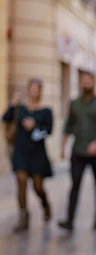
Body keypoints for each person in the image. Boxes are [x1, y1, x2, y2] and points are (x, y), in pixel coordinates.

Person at [58, 73, 96, 231]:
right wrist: (62, 147)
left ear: (94, 83)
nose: (86, 84)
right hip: (78, 151)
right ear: (80, 83)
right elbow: (68, 126)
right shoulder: (74, 104)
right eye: (83, 81)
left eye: (89, 81)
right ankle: (70, 219)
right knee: (75, 184)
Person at [2, 78, 53, 232]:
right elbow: (5, 118)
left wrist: (34, 126)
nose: (33, 92)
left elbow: (49, 130)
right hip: (21, 151)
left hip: (37, 153)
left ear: (40, 92)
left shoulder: (46, 111)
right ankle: (23, 216)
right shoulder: (21, 108)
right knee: (21, 182)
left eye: (36, 89)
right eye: (31, 89)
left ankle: (45, 203)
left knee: (38, 186)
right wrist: (13, 104)